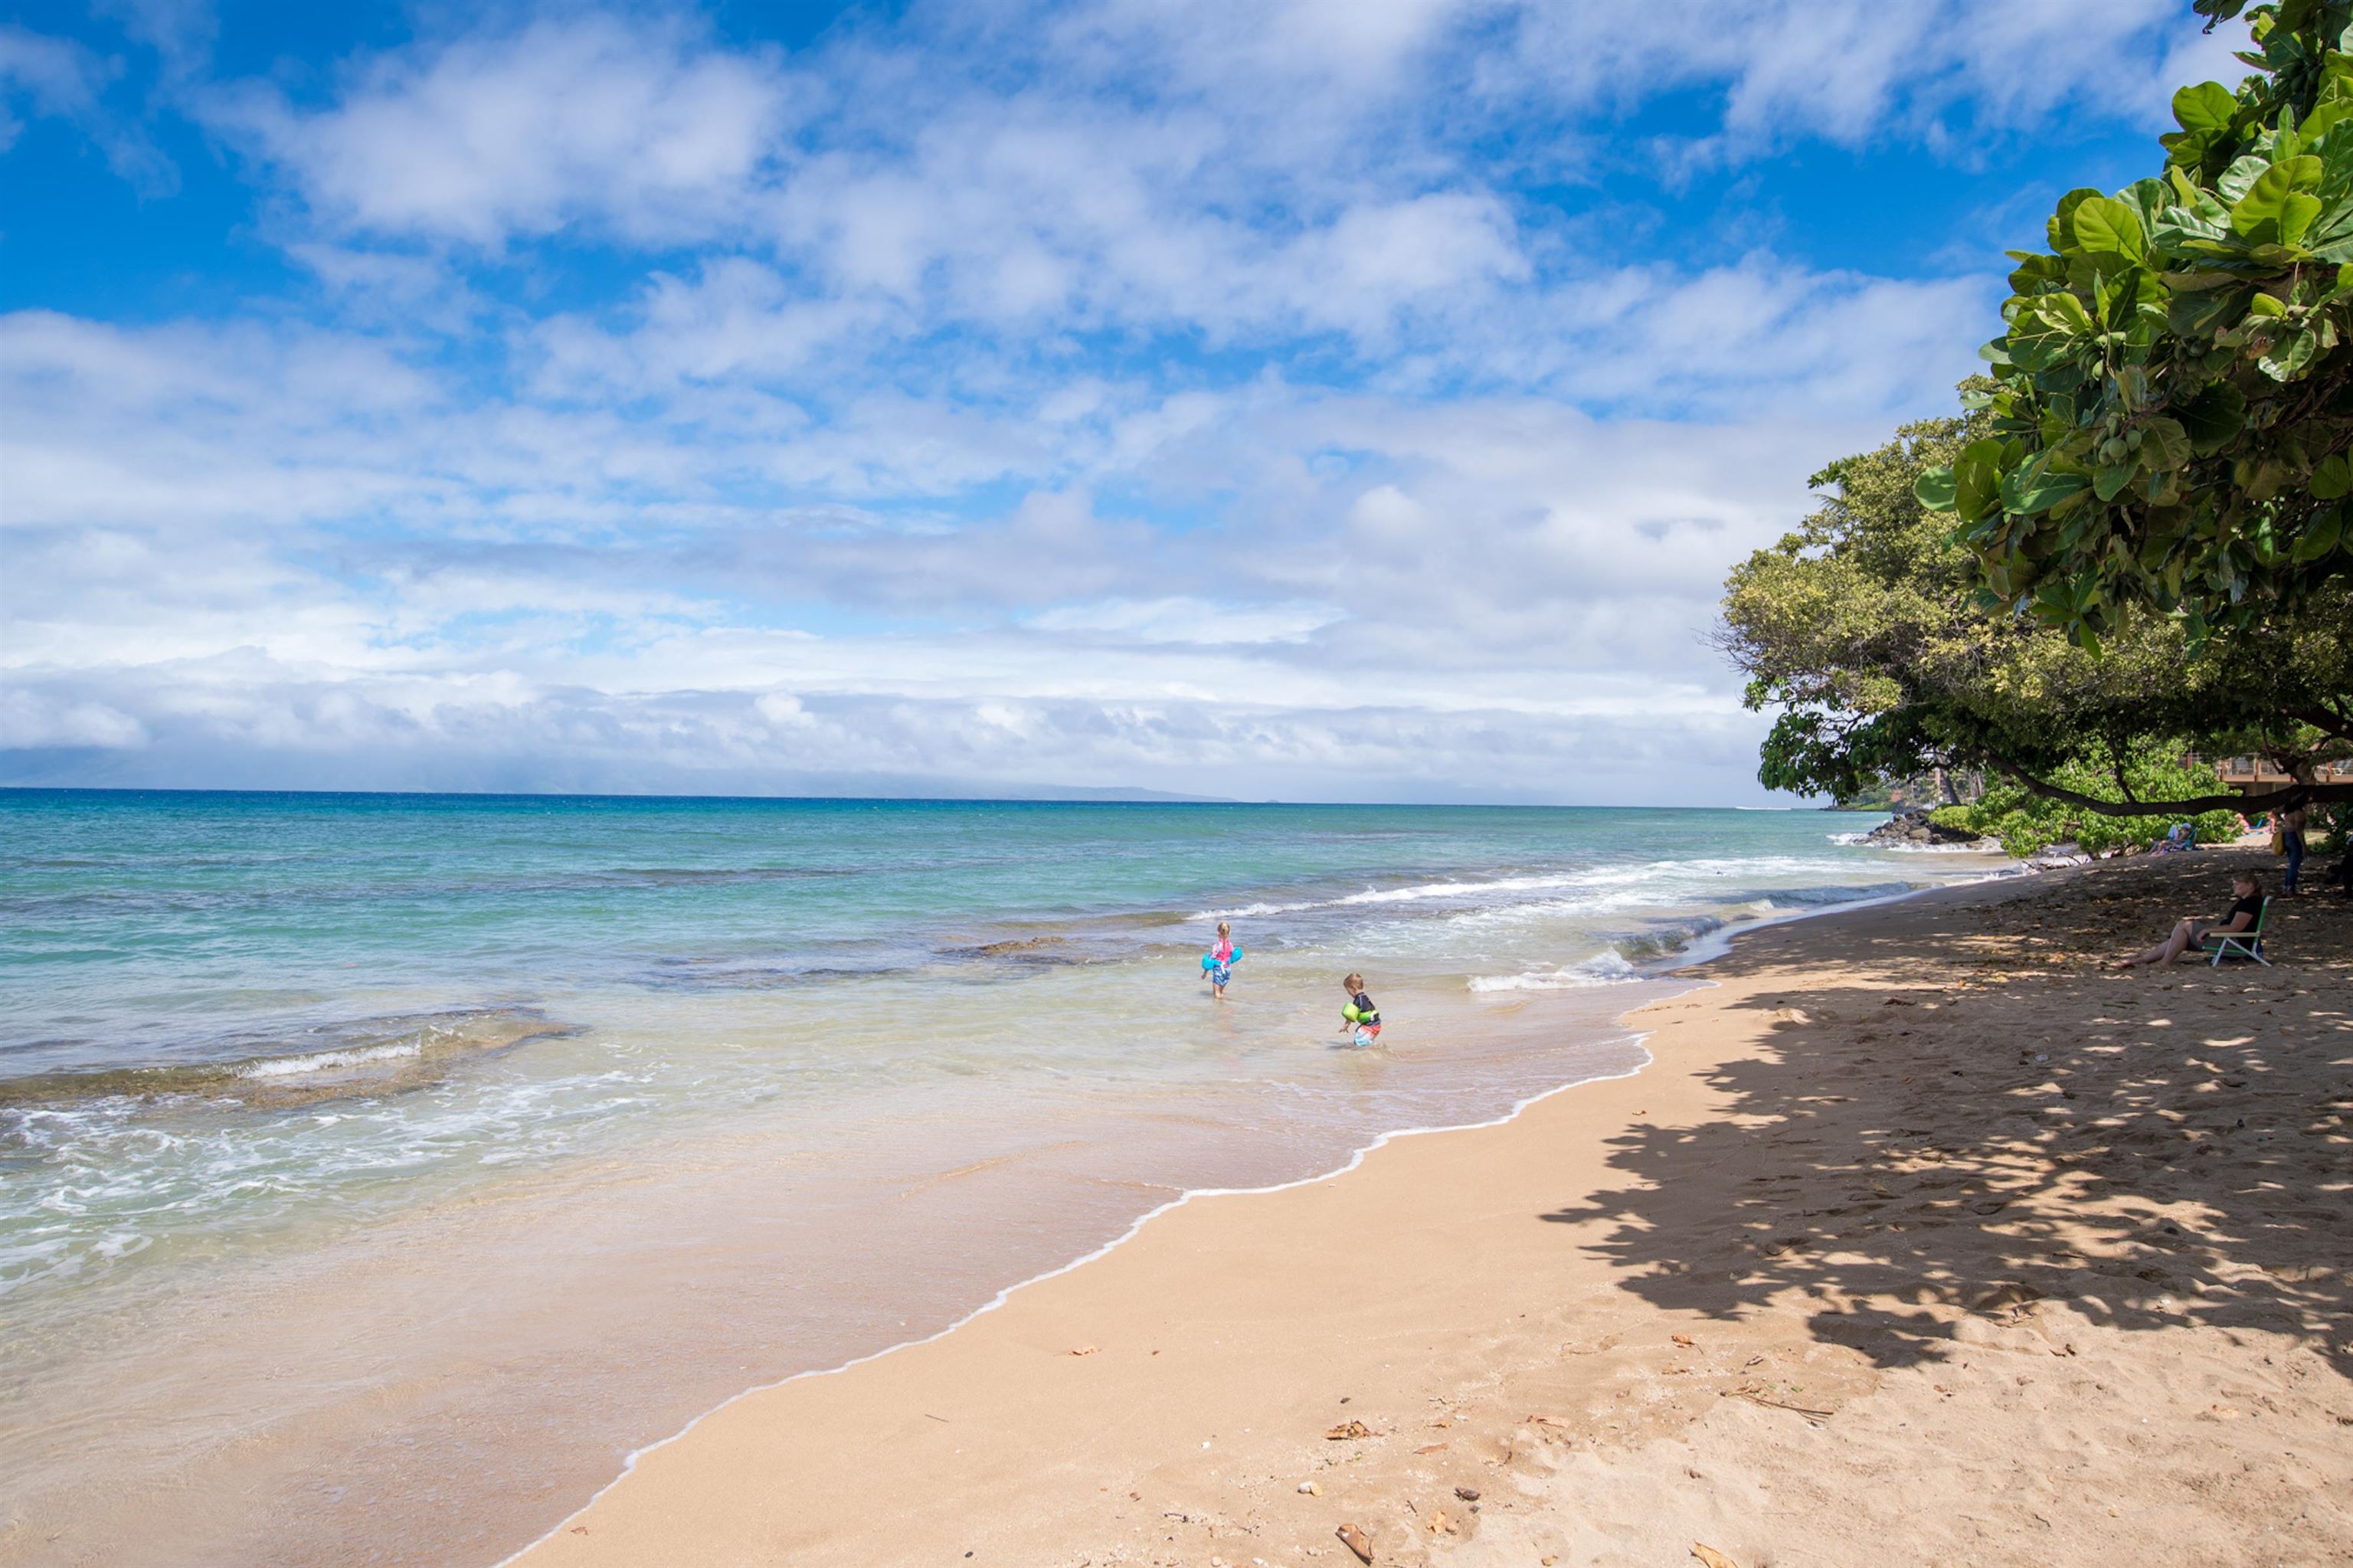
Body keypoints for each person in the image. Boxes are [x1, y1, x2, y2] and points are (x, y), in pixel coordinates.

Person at [2113, 870, 2265, 967]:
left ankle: (2165, 963)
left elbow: (2236, 928)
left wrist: (2207, 929)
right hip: (2230, 941)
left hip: (2236, 945)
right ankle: (2144, 960)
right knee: (2177, 937)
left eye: (2237, 884)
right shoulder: (2248, 902)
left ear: (2249, 886)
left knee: (2184, 925)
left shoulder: (2250, 903)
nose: (2234, 887)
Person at [1340, 972, 1381, 1047]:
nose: (1348, 993)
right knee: (1362, 1037)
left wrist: (1345, 1026)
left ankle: (1360, 1054)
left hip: (1371, 1025)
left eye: (1348, 991)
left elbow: (1351, 1015)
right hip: (1376, 1024)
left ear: (1353, 988)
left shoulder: (1358, 1000)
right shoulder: (1365, 997)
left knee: (1359, 1044)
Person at [2279, 802, 2309, 893]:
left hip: (2287, 836)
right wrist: (2304, 846)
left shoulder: (2288, 813)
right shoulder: (2298, 813)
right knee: (2294, 865)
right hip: (2294, 837)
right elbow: (2299, 830)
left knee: (2292, 864)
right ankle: (2290, 887)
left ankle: (2286, 886)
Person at [1207, 921, 1235, 1000]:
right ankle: (1223, 1005)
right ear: (1229, 933)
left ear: (1218, 933)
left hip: (1219, 970)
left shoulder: (1216, 946)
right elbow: (1233, 957)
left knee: (1216, 994)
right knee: (1220, 992)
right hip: (1227, 970)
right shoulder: (1231, 945)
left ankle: (1220, 1009)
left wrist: (1205, 973)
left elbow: (1210, 960)